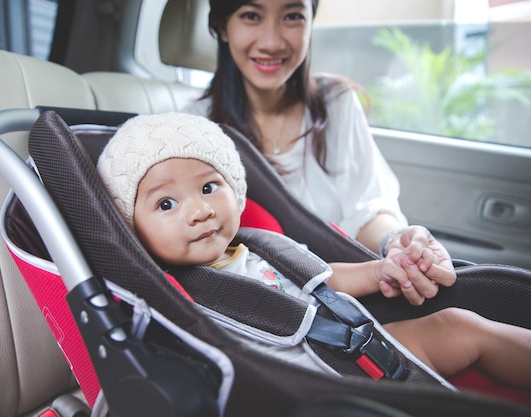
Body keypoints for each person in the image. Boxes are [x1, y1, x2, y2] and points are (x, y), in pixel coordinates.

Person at [97, 112, 531, 392]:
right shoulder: (161, 291)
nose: (200, 210)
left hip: (354, 348)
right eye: (166, 204)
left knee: (459, 324)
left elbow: (326, 279)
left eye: (210, 187)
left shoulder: (263, 245)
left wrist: (382, 268)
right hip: (300, 386)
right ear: (130, 227)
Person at [184, 0, 455, 304]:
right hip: (284, 310)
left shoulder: (337, 102)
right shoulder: (193, 129)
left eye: (292, 16)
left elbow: (366, 208)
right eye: (251, 16)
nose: (272, 42)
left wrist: (396, 243)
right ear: (222, 26)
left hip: (368, 287)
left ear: (311, 23)